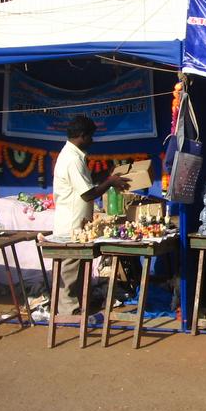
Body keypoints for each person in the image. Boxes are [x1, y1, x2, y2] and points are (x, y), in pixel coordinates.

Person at [53, 115, 129, 315]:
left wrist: (107, 174)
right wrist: (110, 182)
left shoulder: (75, 156)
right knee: (69, 268)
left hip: (77, 221)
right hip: (71, 223)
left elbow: (87, 182)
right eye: (90, 137)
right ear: (82, 136)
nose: (92, 141)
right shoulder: (72, 160)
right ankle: (67, 310)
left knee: (77, 268)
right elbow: (88, 194)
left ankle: (77, 304)